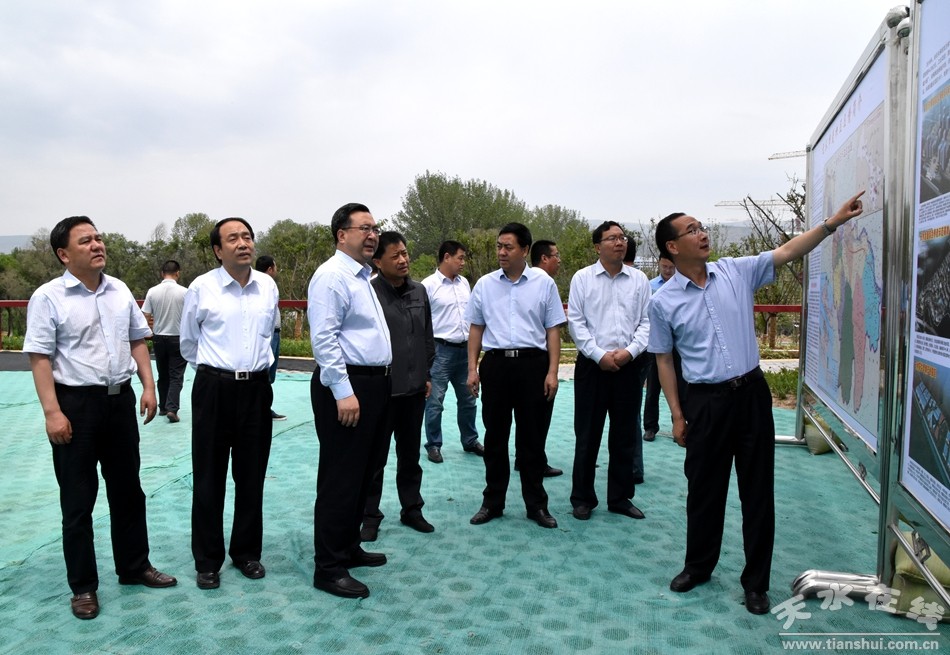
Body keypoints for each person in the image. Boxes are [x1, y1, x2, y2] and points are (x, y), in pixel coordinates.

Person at [648, 191, 865, 615]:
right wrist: (676, 414)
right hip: (705, 403)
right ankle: (698, 566)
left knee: (757, 491)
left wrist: (832, 223)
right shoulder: (662, 301)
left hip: (750, 395)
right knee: (704, 490)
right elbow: (664, 360)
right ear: (672, 246)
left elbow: (787, 251)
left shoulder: (735, 270)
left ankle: (756, 583)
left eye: (702, 227)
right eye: (692, 230)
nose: (702, 233)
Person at [24, 216, 177, 621]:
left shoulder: (119, 289)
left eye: (98, 238)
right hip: (75, 406)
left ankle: (134, 566)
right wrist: (53, 412)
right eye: (85, 240)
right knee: (78, 500)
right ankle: (83, 587)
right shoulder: (48, 297)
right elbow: (39, 357)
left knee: (129, 491)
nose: (97, 245)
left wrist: (149, 386)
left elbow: (136, 340)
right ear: (63, 254)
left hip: (119, 402)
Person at [180, 217, 279, 591]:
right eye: (233, 238)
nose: (243, 243)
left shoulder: (267, 286)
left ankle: (246, 553)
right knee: (209, 477)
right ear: (218, 250)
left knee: (252, 476)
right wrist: (217, 372)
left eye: (247, 236)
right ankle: (208, 561)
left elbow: (268, 336)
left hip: (256, 390)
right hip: (214, 390)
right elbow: (189, 343)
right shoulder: (202, 288)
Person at [308, 203, 392, 599]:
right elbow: (324, 339)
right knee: (341, 478)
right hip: (348, 386)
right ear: (342, 235)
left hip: (374, 386)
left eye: (375, 228)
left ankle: (348, 547)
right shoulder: (331, 276)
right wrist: (343, 392)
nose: (373, 235)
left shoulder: (363, 276)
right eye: (365, 228)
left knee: (364, 473)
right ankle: (328, 567)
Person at [466, 223, 566, 529]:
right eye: (499, 246)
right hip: (496, 366)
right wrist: (472, 368)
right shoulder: (485, 284)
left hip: (533, 366)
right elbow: (476, 328)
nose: (501, 252)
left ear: (524, 250)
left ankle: (536, 505)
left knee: (531, 439)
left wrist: (552, 371)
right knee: (495, 437)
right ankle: (492, 502)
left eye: (508, 247)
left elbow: (553, 330)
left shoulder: (543, 283)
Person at [567, 222, 651, 521]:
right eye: (612, 238)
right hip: (592, 367)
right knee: (587, 435)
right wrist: (598, 354)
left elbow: (646, 322)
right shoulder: (582, 278)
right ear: (597, 246)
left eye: (622, 237)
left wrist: (630, 352)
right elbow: (576, 323)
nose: (619, 242)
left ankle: (620, 498)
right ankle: (582, 498)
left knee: (625, 435)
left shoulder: (639, 280)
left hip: (629, 366)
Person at [361, 231, 436, 542]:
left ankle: (412, 509)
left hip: (414, 390)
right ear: (378, 262)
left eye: (405, 253)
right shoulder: (368, 293)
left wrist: (426, 374)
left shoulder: (419, 291)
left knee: (410, 455)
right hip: (382, 390)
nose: (404, 260)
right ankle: (369, 516)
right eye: (396, 256)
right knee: (374, 457)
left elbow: (427, 336)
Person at [421, 241, 483, 463]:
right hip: (440, 350)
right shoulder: (428, 286)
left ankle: (470, 440)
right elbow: (422, 323)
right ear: (446, 257)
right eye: (460, 258)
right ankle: (434, 444)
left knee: (469, 399)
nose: (463, 262)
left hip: (465, 351)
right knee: (435, 401)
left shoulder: (464, 283)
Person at [521, 239, 564, 478]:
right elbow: (552, 329)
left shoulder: (523, 281)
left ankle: (525, 458)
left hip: (518, 359)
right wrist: (553, 370)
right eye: (556, 255)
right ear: (544, 258)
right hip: (537, 358)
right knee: (538, 415)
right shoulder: (545, 283)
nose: (559, 260)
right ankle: (535, 461)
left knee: (524, 415)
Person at [641, 255, 684, 442]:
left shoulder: (682, 286)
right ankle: (650, 427)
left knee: (681, 386)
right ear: (659, 264)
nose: (667, 270)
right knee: (653, 388)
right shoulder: (650, 286)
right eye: (664, 266)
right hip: (655, 344)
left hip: (678, 344)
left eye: (671, 267)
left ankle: (680, 424)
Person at [141, 260, 188, 423]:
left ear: (162, 273)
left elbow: (146, 316)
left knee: (163, 374)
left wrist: (146, 335)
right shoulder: (185, 292)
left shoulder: (152, 291)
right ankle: (172, 408)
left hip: (159, 338)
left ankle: (162, 407)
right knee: (176, 375)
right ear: (178, 273)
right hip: (177, 337)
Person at [254, 255, 286, 421]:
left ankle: (264, 406)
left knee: (269, 373)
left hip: (274, 332)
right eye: (275, 266)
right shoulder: (264, 285)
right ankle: (263, 408)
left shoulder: (264, 285)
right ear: (270, 269)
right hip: (269, 333)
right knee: (266, 372)